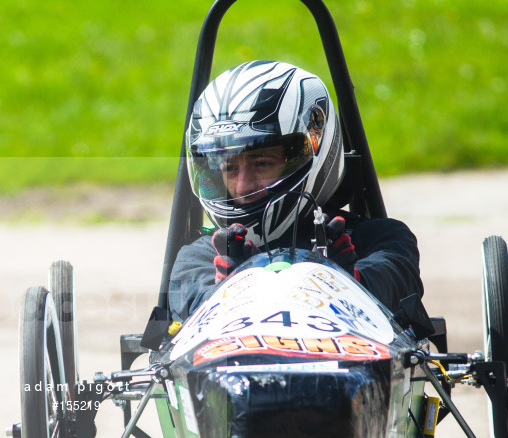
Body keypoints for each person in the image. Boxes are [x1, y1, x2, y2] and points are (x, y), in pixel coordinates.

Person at [168, 60, 423, 321]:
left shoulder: (376, 240)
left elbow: (395, 280)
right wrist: (226, 291)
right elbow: (189, 308)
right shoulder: (204, 255)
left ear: (312, 151)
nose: (243, 186)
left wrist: (350, 281)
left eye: (262, 163)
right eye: (230, 169)